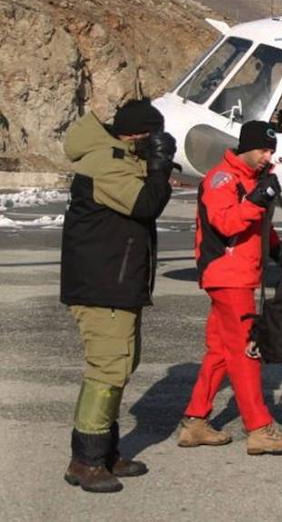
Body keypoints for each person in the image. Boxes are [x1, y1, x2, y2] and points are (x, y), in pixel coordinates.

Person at [60, 98, 176, 493]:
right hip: (102, 283)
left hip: (116, 280)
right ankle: (86, 460)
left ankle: (104, 452)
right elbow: (146, 204)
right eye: (152, 136)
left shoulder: (118, 157)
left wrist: (154, 165)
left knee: (121, 364)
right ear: (137, 134)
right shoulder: (104, 161)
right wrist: (158, 166)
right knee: (108, 368)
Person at [177, 121, 282, 455]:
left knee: (220, 350)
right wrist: (258, 199)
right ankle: (259, 428)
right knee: (247, 350)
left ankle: (195, 421)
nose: (267, 156)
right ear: (246, 147)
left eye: (271, 151)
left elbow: (257, 227)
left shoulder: (251, 180)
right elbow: (226, 222)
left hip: (239, 274)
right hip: (228, 275)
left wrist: (280, 252)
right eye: (263, 149)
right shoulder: (222, 179)